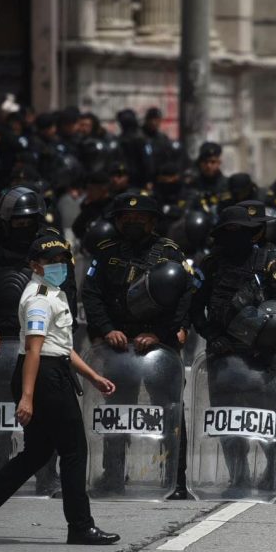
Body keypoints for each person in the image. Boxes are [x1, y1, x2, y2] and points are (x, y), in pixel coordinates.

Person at [0, 236, 119, 545]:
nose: (60, 265)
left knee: (37, 453)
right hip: (43, 378)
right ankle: (80, 526)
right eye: (51, 261)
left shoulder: (54, 293)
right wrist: (27, 398)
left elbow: (60, 347)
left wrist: (93, 376)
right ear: (35, 266)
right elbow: (33, 349)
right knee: (73, 451)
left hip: (50, 371)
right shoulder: (39, 298)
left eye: (63, 259)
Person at [81, 192, 194, 498]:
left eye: (139, 220)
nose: (131, 224)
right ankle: (113, 475)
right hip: (118, 346)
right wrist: (106, 330)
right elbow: (91, 294)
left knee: (169, 412)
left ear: (152, 222)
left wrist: (161, 334)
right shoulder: (105, 252)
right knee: (116, 412)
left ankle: (175, 480)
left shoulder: (169, 253)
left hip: (157, 348)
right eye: (125, 219)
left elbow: (186, 296)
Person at [190, 204, 276, 494]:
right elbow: (195, 309)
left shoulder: (270, 264)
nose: (236, 237)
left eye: (243, 231)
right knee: (229, 420)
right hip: (224, 355)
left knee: (275, 418)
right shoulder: (211, 264)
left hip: (265, 354)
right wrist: (213, 336)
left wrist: (266, 345)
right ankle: (238, 476)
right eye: (230, 232)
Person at [0, 187, 70, 496]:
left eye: (29, 221)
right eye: (17, 221)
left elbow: (67, 294)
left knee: (44, 417)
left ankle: (46, 478)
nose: (23, 227)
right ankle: (0, 477)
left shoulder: (52, 247)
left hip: (42, 344)